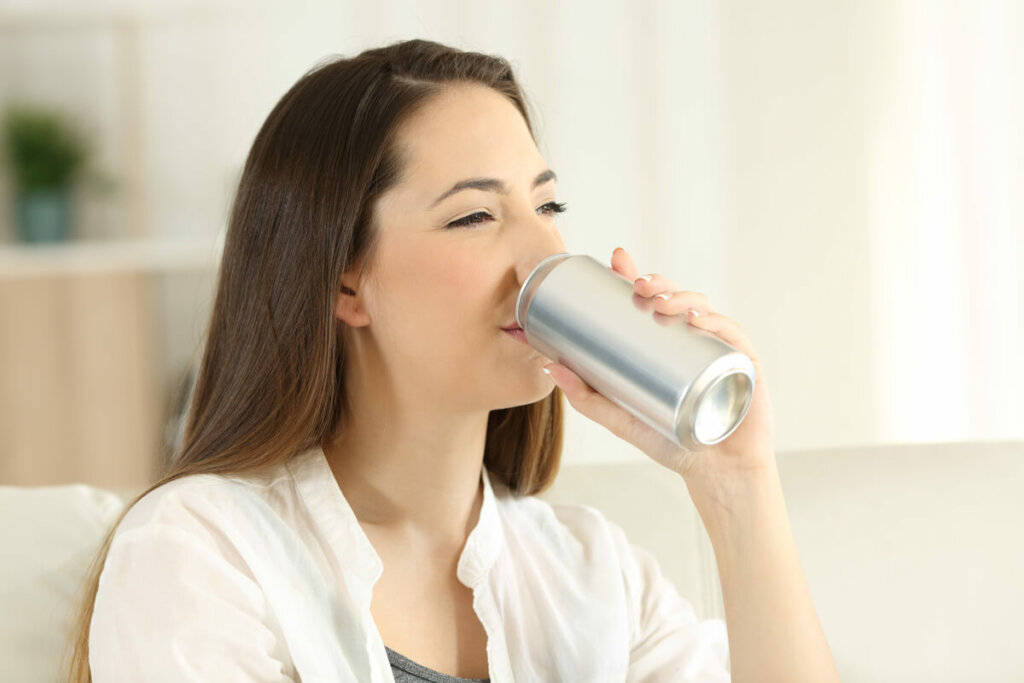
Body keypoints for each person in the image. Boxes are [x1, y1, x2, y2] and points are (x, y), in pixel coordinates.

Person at [66, 39, 838, 682]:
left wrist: (738, 486)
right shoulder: (202, 550)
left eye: (548, 208)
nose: (544, 256)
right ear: (344, 280)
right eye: (476, 215)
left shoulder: (594, 573)